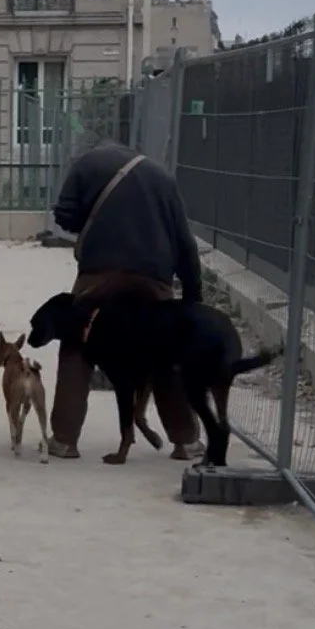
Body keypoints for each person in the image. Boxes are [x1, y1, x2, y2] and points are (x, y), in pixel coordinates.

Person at [48, 141, 201, 460]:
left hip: (99, 273)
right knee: (165, 352)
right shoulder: (162, 177)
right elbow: (185, 242)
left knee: (78, 343)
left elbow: (64, 215)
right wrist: (191, 297)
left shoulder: (86, 165)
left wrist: (92, 222)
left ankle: (64, 439)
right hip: (153, 276)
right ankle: (185, 440)